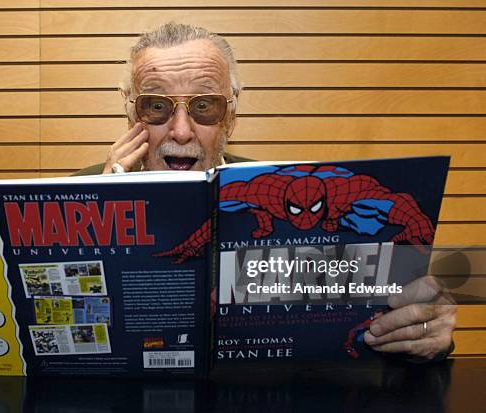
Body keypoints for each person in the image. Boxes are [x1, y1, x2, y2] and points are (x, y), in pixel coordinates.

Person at [74, 22, 456, 361]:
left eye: (204, 105)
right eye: (156, 105)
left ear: (232, 116)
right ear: (130, 113)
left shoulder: (283, 192)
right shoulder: (77, 194)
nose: (181, 131)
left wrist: (422, 328)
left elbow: (369, 312)